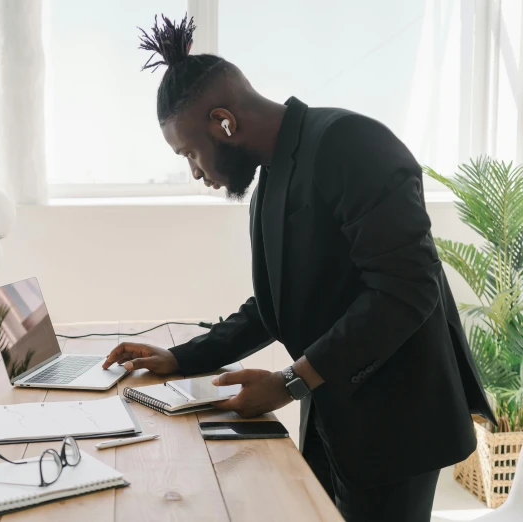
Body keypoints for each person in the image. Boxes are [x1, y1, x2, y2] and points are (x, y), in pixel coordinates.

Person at [102, 14, 496, 522]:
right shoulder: (268, 183)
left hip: (397, 423)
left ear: (224, 122)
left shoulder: (352, 143)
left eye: (191, 153)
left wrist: (291, 381)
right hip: (332, 411)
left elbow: (405, 290)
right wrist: (178, 358)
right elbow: (272, 308)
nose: (196, 172)